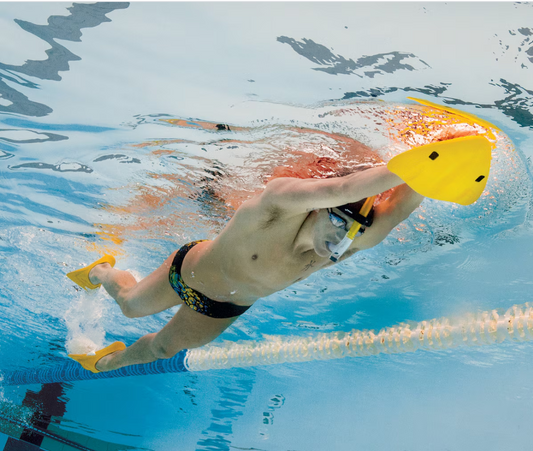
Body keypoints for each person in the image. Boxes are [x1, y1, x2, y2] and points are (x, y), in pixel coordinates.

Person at [67, 159, 424, 373]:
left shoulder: (354, 238)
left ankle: (102, 363)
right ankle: (99, 271)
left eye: (353, 229)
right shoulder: (276, 208)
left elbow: (400, 208)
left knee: (162, 350)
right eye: (337, 221)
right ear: (318, 206)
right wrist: (416, 161)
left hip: (223, 308)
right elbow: (341, 188)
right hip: (189, 273)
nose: (341, 237)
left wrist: (434, 167)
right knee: (130, 306)